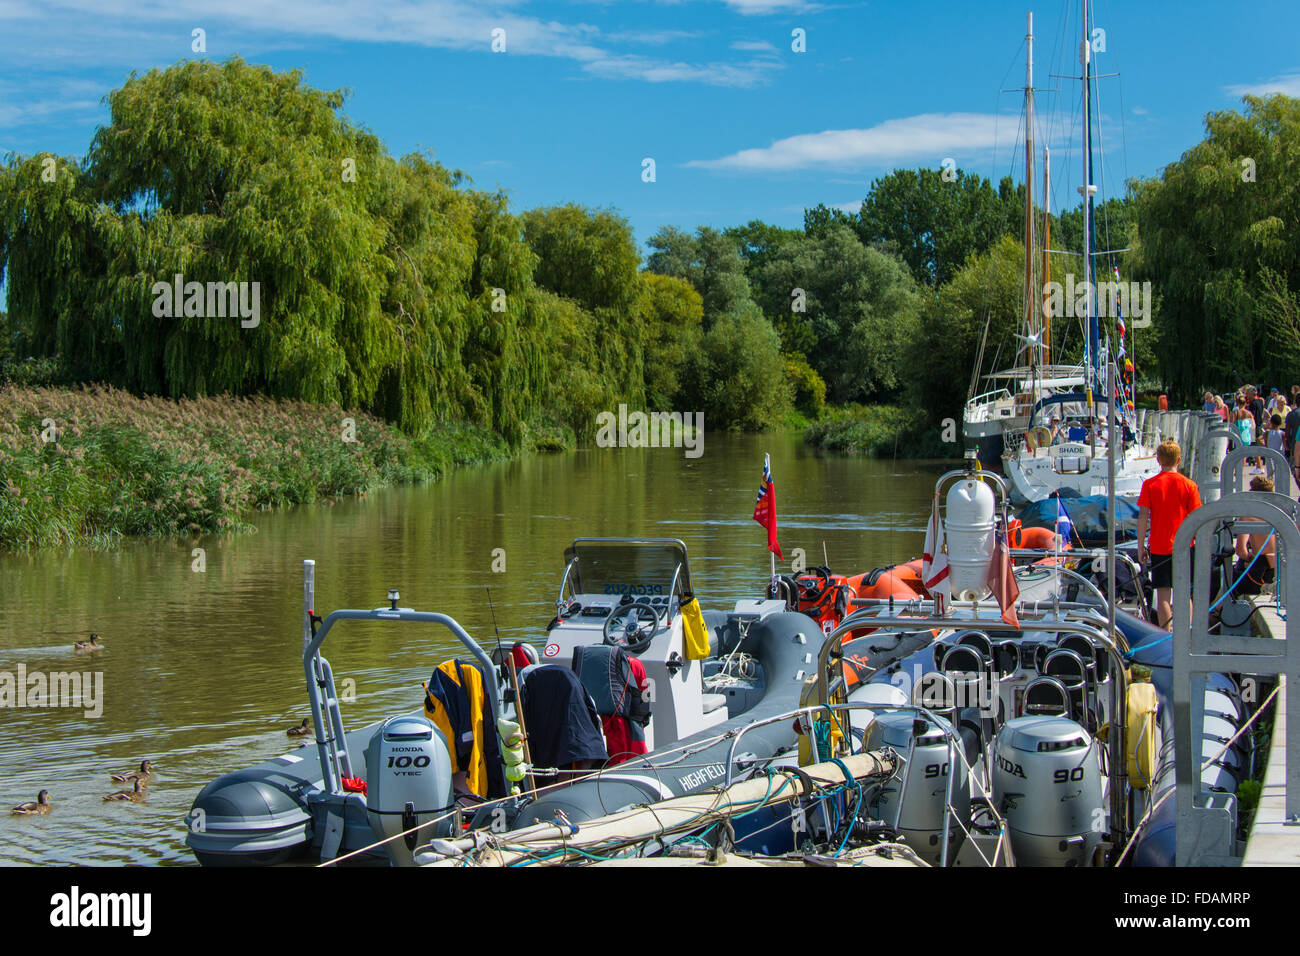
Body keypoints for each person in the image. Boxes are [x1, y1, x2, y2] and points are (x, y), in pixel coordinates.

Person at [1137, 439, 1203, 629]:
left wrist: (1141, 546)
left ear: (1158, 460)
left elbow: (1143, 518)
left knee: (1163, 594)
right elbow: (1197, 517)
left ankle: (1166, 636)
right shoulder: (1189, 485)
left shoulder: (1150, 485)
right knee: (1184, 593)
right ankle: (1187, 634)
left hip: (1159, 545)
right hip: (1185, 545)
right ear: (1179, 460)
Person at [1233, 475, 1277, 596]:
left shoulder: (1248, 516)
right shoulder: (1280, 513)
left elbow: (1240, 550)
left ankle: (1216, 609)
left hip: (1259, 573)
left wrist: (1250, 559)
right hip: (1279, 570)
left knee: (1225, 576)